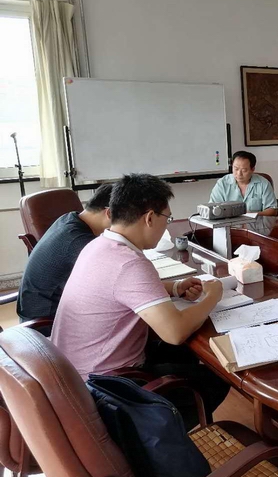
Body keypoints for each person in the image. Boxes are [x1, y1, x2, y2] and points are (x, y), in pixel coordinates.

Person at [51, 174, 229, 427]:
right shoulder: (129, 263)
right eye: (167, 218)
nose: (166, 225)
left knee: (185, 353)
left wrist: (174, 288)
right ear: (149, 218)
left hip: (75, 374)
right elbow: (175, 332)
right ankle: (156, 439)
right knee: (217, 378)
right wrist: (212, 296)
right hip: (106, 390)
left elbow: (117, 289)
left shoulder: (98, 245)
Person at [17, 184, 114, 323]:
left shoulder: (69, 218)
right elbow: (115, 278)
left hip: (41, 311)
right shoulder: (79, 241)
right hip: (45, 323)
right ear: (109, 213)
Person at [209, 150, 278, 215]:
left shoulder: (263, 183)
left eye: (244, 170)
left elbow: (272, 209)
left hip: (255, 222)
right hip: (228, 222)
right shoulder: (222, 184)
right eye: (236, 169)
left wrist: (251, 215)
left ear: (252, 169)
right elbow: (213, 208)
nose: (239, 173)